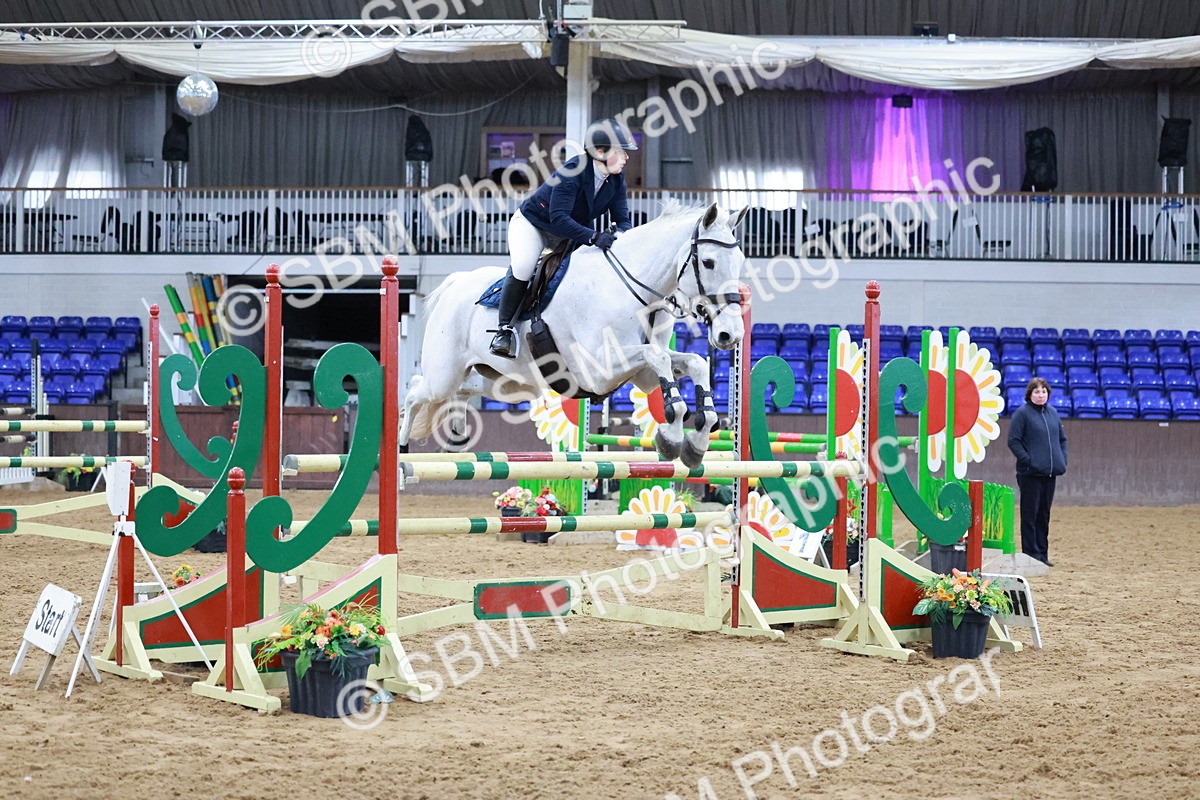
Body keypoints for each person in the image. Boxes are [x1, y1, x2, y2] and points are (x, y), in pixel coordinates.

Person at [489, 118, 638, 358]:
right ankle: (504, 330)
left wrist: (624, 240)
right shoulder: (573, 171)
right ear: (600, 152)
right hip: (535, 225)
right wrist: (593, 237)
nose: (626, 157)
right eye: (620, 152)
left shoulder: (616, 180)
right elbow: (558, 218)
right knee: (524, 266)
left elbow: (623, 220)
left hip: (572, 231)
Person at [1007, 376, 1068, 567]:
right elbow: (1013, 441)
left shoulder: (1053, 413)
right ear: (1030, 394)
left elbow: (1062, 440)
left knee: (1044, 515)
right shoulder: (1022, 414)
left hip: (1050, 474)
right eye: (1036, 391)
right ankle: (1031, 555)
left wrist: (1062, 459)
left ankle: (1042, 553)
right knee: (1030, 516)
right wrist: (1028, 461)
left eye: (1043, 391)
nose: (1040, 395)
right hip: (1030, 475)